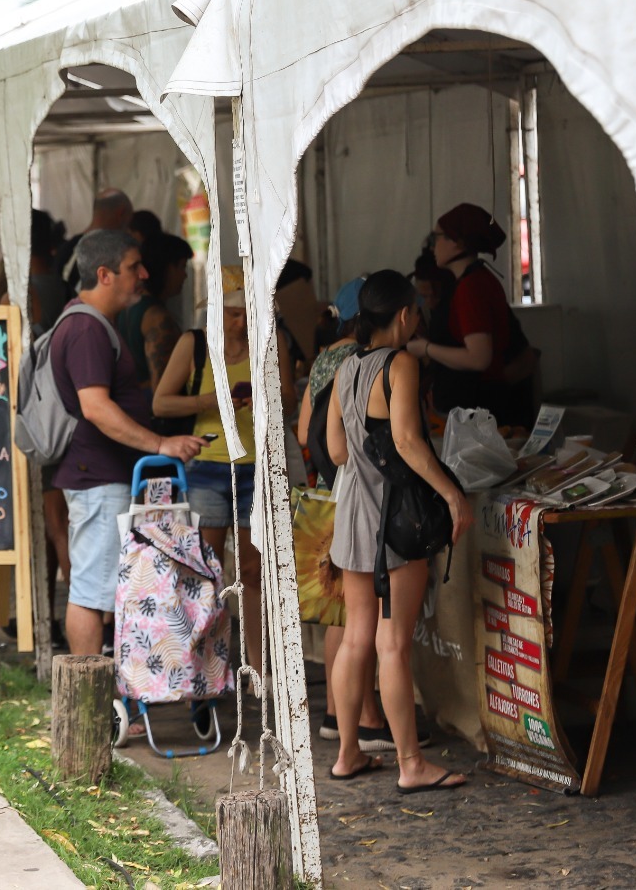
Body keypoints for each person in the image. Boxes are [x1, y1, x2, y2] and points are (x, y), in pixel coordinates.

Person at [325, 269, 470, 792]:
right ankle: (411, 764)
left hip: (353, 519)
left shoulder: (345, 367)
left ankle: (347, 754)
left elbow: (338, 451)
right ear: (406, 314)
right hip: (394, 522)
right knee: (394, 646)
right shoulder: (401, 363)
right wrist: (453, 495)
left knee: (357, 639)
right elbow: (409, 441)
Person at [52, 229, 207, 657]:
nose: (143, 274)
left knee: (101, 589)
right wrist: (161, 443)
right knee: (90, 592)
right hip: (97, 479)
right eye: (133, 267)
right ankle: (92, 709)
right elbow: (96, 407)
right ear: (104, 274)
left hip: (100, 477)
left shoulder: (90, 322)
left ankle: (105, 703)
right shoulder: (86, 328)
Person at [151, 290, 290, 678]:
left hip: (255, 466)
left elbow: (289, 398)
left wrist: (261, 397)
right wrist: (212, 402)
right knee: (207, 572)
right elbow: (161, 403)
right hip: (207, 467)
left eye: (248, 314)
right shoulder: (194, 344)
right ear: (215, 313)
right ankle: (206, 667)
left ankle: (258, 670)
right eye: (232, 314)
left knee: (253, 570)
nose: (240, 323)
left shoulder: (270, 338)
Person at [293, 276, 393, 749]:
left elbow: (302, 435)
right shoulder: (367, 362)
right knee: (363, 621)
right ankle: (366, 714)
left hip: (328, 492)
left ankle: (338, 716)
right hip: (363, 493)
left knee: (343, 616)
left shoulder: (323, 361)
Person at [404, 203, 534, 427]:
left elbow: (479, 357)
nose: (433, 246)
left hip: (481, 408)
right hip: (477, 405)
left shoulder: (472, 287)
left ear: (457, 243)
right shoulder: (470, 282)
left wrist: (425, 348)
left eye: (438, 238)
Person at [118, 230, 191, 388]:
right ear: (168, 268)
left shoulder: (126, 305)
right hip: (148, 408)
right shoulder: (156, 317)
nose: (185, 275)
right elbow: (162, 385)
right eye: (182, 267)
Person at [53, 188, 133, 291]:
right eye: (129, 223)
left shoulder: (67, 248)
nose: (128, 230)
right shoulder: (110, 255)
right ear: (121, 214)